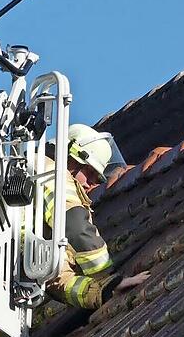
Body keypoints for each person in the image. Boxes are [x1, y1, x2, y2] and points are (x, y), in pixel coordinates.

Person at [42, 124, 150, 311]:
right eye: (90, 173)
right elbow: (75, 225)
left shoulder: (39, 249)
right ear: (71, 159)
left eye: (96, 179)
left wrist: (102, 292)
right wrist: (108, 278)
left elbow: (56, 279)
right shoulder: (52, 173)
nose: (90, 184)